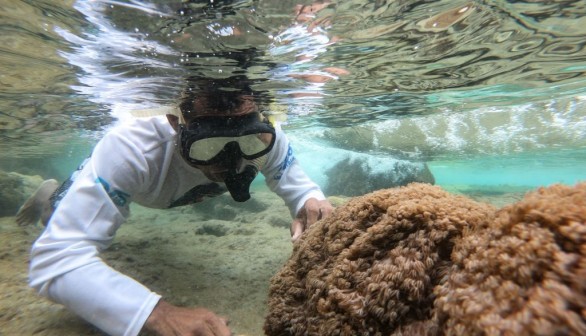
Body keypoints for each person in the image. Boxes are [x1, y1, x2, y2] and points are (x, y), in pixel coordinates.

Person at [17, 75, 333, 336]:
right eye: (208, 145)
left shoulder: (270, 139)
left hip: (167, 195)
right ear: (174, 123)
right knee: (53, 218)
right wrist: (157, 314)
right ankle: (51, 195)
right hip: (139, 189)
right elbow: (55, 260)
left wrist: (310, 204)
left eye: (248, 141)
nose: (232, 162)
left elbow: (301, 189)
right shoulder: (131, 149)